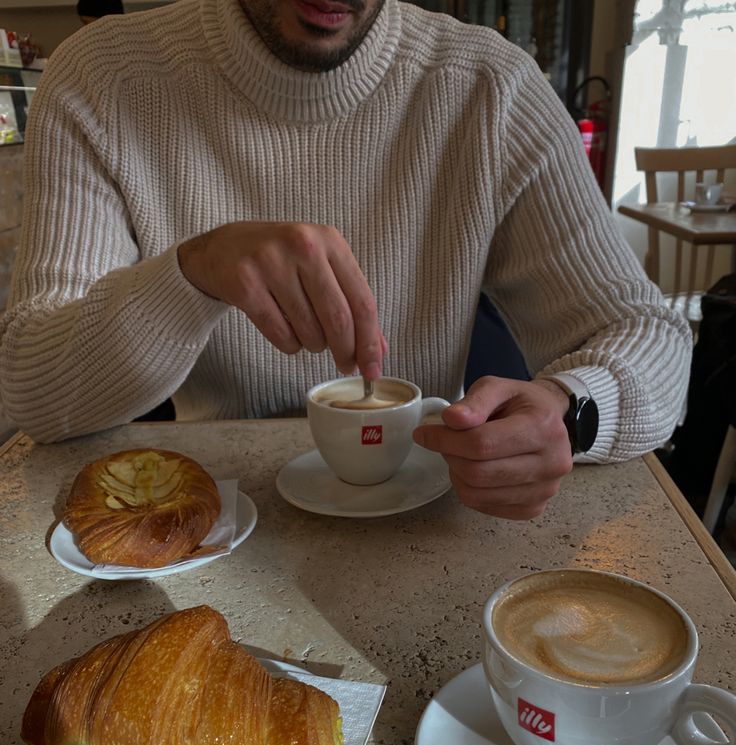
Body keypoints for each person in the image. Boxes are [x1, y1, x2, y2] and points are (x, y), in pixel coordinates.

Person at [0, 0, 692, 520]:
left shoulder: (491, 90)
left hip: (428, 521)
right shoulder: (102, 77)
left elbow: (654, 336)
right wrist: (192, 273)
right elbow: (32, 387)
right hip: (217, 522)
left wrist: (572, 411)